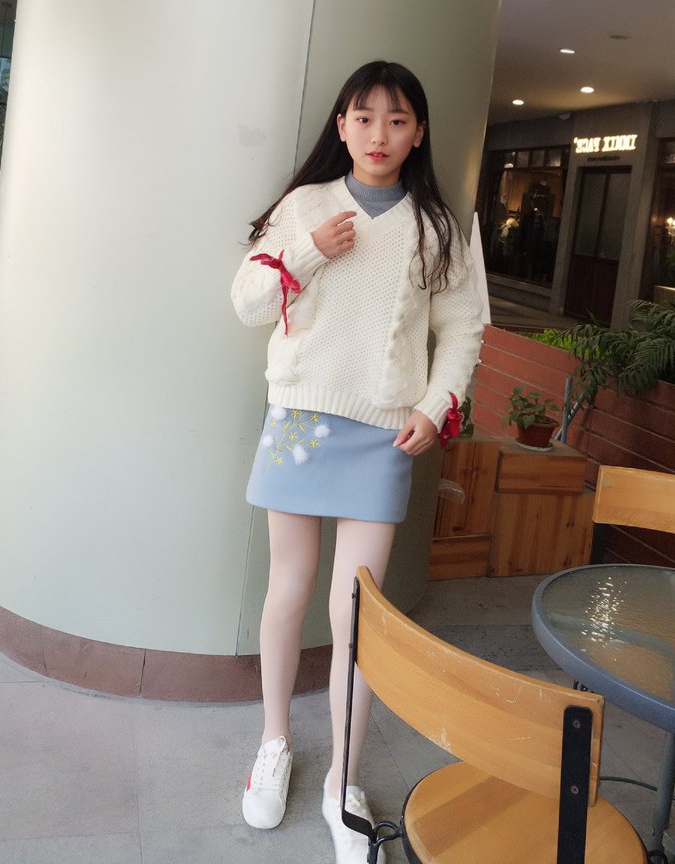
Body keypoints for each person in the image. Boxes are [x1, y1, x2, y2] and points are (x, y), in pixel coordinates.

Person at [231, 60, 484, 863]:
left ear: (419, 132)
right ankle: (274, 744)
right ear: (341, 125)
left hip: (382, 432)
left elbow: (464, 330)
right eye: (365, 118)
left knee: (357, 613)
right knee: (289, 588)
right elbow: (246, 303)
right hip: (299, 419)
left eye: (398, 120)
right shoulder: (303, 207)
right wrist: (309, 251)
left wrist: (435, 407)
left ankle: (343, 782)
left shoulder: (440, 227)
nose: (380, 135)